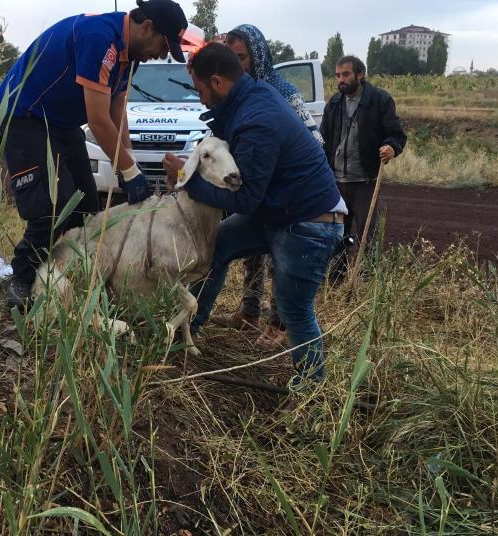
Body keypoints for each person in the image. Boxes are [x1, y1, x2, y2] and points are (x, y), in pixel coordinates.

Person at [163, 43, 346, 382]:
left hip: (310, 223)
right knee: (214, 250)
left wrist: (186, 182)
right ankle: (186, 335)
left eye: (200, 90)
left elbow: (244, 199)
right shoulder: (248, 99)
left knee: (294, 309)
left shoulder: (257, 120)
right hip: (277, 211)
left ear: (217, 82)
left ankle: (312, 391)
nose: (200, 98)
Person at [0, 0, 189, 308]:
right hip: (25, 117)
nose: (162, 55)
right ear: (147, 27)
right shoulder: (99, 38)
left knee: (85, 204)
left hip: (62, 123)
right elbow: (98, 120)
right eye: (164, 45)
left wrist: (129, 162)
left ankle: (66, 275)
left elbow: (117, 111)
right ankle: (22, 278)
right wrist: (129, 173)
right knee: (53, 202)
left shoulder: (130, 55)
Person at [209, 24, 324, 347]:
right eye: (232, 57)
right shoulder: (233, 98)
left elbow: (314, 140)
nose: (238, 64)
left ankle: (279, 324)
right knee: (248, 254)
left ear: (258, 56)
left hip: (285, 197)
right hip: (252, 190)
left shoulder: (281, 92)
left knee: (280, 259)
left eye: (242, 57)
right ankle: (248, 312)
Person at [319, 56, 406, 278]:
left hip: (364, 181)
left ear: (360, 75)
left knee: (368, 232)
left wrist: (390, 147)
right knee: (339, 232)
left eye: (345, 74)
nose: (341, 80)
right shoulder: (335, 103)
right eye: (338, 75)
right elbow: (324, 138)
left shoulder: (380, 100)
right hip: (336, 181)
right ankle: (336, 278)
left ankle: (366, 278)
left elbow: (396, 134)